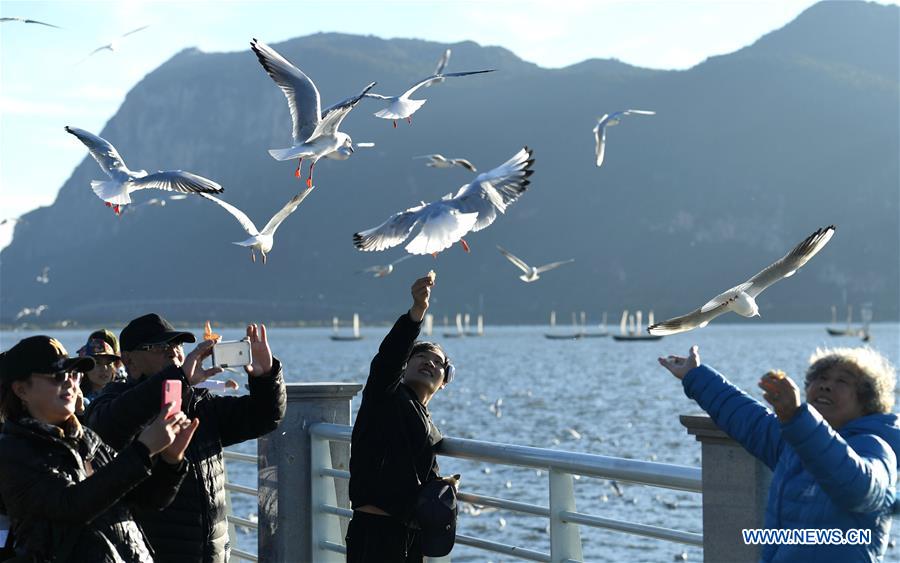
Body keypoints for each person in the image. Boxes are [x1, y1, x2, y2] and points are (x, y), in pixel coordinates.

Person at [658, 344, 899, 562]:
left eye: (842, 382)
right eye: (822, 378)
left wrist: (797, 418)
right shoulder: (791, 440)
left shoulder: (876, 447)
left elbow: (858, 488)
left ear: (867, 401)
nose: (827, 385)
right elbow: (746, 417)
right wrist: (695, 375)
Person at [85, 314, 287, 563]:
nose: (173, 353)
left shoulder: (200, 404)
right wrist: (178, 380)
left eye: (177, 346)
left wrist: (266, 376)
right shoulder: (113, 401)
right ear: (129, 361)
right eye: (160, 347)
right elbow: (106, 428)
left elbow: (264, 417)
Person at [0, 335, 197, 562]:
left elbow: (147, 499)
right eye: (57, 376)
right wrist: (143, 450)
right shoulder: (14, 451)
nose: (70, 382)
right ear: (21, 390)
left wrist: (171, 460)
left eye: (74, 374)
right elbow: (71, 507)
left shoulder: (87, 438)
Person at [347, 273, 457, 562]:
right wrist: (417, 312)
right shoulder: (386, 395)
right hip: (375, 534)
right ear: (405, 365)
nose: (430, 362)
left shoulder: (427, 423)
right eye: (421, 356)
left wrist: (440, 485)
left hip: (409, 535)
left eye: (438, 362)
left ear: (445, 380)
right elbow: (388, 358)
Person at [77, 336, 122, 406]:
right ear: (84, 367)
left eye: (109, 363)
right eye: (97, 363)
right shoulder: (76, 399)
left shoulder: (122, 393)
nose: (104, 368)